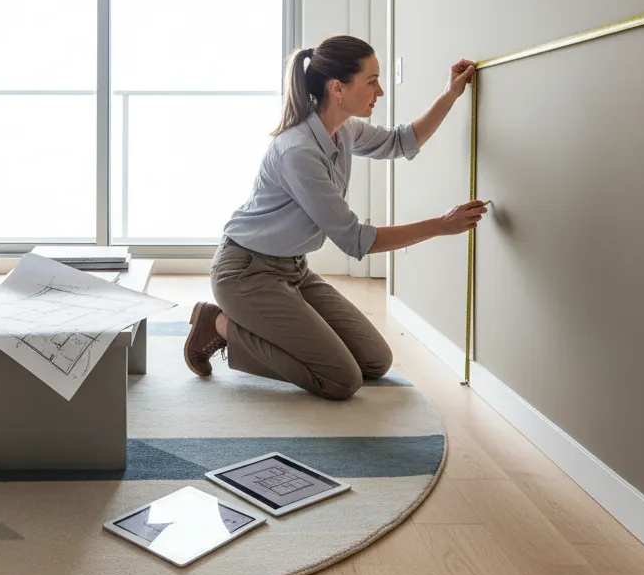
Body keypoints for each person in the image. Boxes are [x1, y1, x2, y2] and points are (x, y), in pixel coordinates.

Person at [185, 35, 488, 399]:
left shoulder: (343, 130)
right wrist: (440, 226)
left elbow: (399, 141)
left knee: (375, 361)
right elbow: (355, 239)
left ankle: (255, 325)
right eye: (371, 81)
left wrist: (450, 94)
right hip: (246, 273)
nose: (379, 92)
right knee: (341, 380)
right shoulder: (298, 151)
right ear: (338, 88)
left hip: (294, 270)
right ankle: (218, 324)